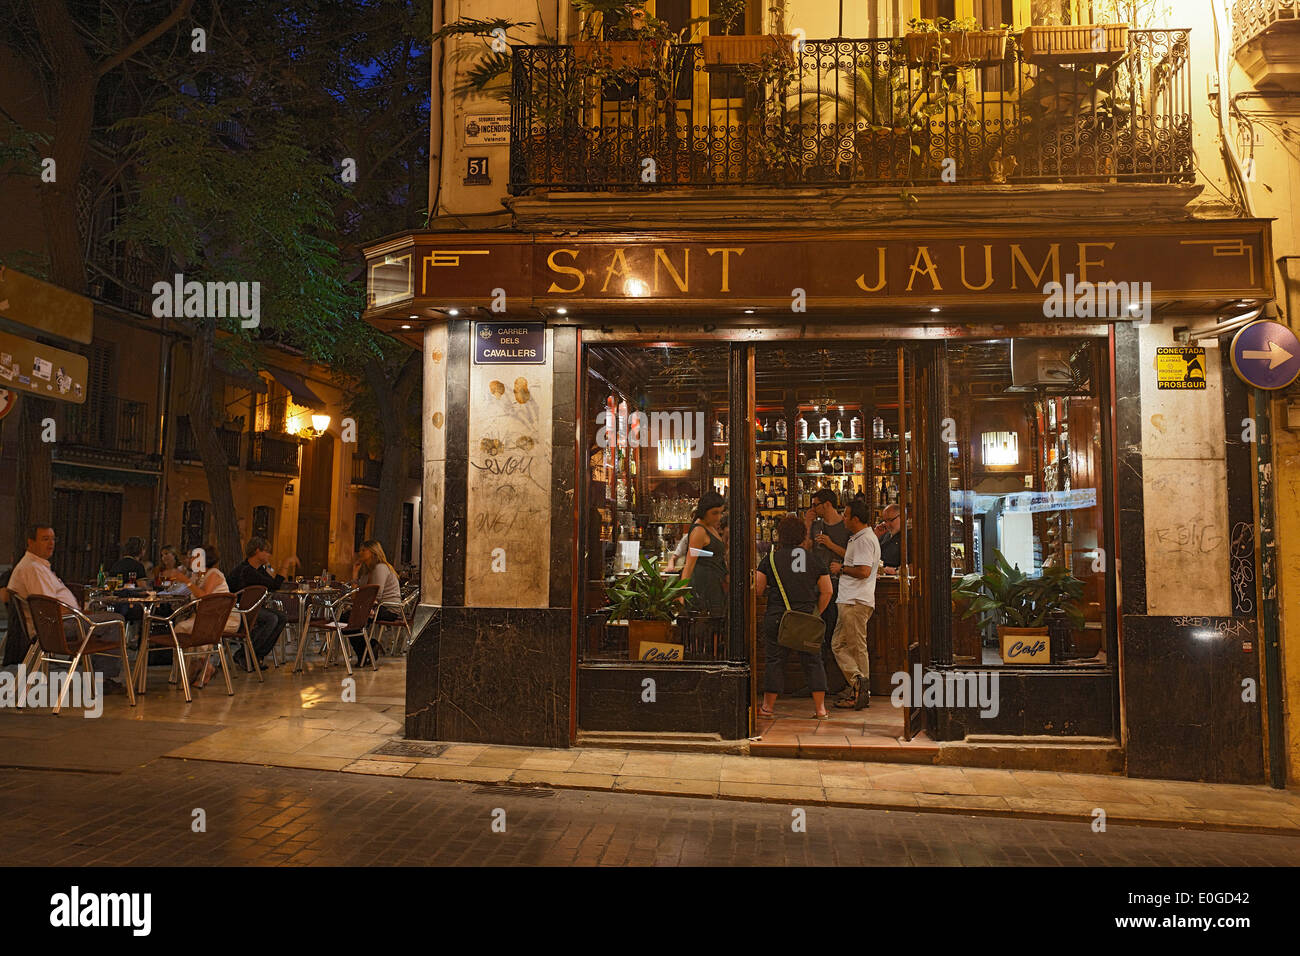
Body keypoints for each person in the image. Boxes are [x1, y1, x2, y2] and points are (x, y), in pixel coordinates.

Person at [5, 525, 127, 692]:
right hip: (57, 628)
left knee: (104, 618)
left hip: (61, 623)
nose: (51, 543)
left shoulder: (37, 565)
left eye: (53, 539)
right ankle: (105, 680)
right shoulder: (32, 568)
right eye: (45, 539)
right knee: (115, 621)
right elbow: (48, 608)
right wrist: (78, 614)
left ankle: (100, 675)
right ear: (30, 542)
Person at [755, 515, 833, 719]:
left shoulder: (770, 559)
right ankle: (820, 709)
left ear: (780, 536)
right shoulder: (814, 558)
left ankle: (768, 708)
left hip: (778, 618)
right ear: (802, 536)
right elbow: (828, 591)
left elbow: (758, 589)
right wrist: (816, 613)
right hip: (807, 617)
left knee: (774, 661)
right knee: (813, 662)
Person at [161, 543, 240, 689]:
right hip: (204, 616)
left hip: (223, 617)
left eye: (193, 557)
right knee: (180, 627)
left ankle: (199, 666)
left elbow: (205, 596)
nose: (189, 559)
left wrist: (185, 581)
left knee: (195, 629)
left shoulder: (214, 574)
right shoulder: (197, 575)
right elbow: (191, 593)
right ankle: (200, 666)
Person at [828, 499, 880, 710]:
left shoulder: (864, 540)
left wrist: (840, 569)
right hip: (850, 599)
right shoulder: (860, 537)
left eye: (846, 515)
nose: (843, 518)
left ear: (856, 519)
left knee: (857, 647)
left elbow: (864, 571)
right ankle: (858, 684)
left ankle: (861, 689)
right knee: (838, 645)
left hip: (856, 601)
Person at [804, 489, 851, 698]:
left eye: (816, 504)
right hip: (816, 588)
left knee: (836, 637)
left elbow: (853, 555)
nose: (813, 508)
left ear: (828, 504)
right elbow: (804, 550)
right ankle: (817, 684)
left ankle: (837, 683)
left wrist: (830, 544)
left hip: (841, 588)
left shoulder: (845, 526)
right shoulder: (815, 525)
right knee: (816, 635)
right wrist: (806, 523)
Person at [226, 536, 297, 671]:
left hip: (252, 609)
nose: (269, 555)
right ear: (257, 551)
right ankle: (247, 654)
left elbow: (273, 584)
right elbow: (275, 585)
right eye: (267, 551)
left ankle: (254, 654)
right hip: (237, 611)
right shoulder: (246, 570)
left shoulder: (258, 569)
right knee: (272, 618)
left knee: (282, 617)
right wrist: (285, 564)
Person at [350, 539, 402, 664]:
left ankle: (368, 650)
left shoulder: (381, 568)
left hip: (388, 609)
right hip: (375, 608)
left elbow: (376, 595)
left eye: (364, 550)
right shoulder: (367, 573)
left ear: (373, 552)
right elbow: (355, 596)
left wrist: (361, 607)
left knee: (350, 618)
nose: (360, 553)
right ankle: (369, 649)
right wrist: (355, 573)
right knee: (346, 618)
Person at [679, 491, 728, 618]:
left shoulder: (709, 526)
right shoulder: (699, 530)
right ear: (704, 510)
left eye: (720, 512)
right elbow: (689, 565)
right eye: (714, 513)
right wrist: (681, 594)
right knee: (706, 628)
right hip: (703, 586)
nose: (718, 517)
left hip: (713, 583)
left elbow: (708, 554)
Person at [874, 504, 904, 574]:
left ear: (902, 517)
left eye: (890, 520)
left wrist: (896, 571)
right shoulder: (884, 535)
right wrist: (875, 536)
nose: (887, 525)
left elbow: (913, 568)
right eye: (885, 521)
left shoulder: (908, 537)